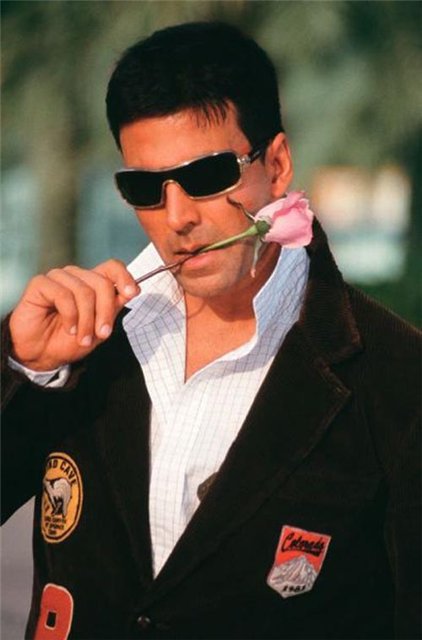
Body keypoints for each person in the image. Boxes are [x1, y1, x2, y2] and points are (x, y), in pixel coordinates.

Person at [1, 21, 420, 640]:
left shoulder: (395, 378)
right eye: (145, 187)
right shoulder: (85, 341)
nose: (177, 218)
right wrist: (24, 367)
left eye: (207, 176)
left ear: (277, 164)